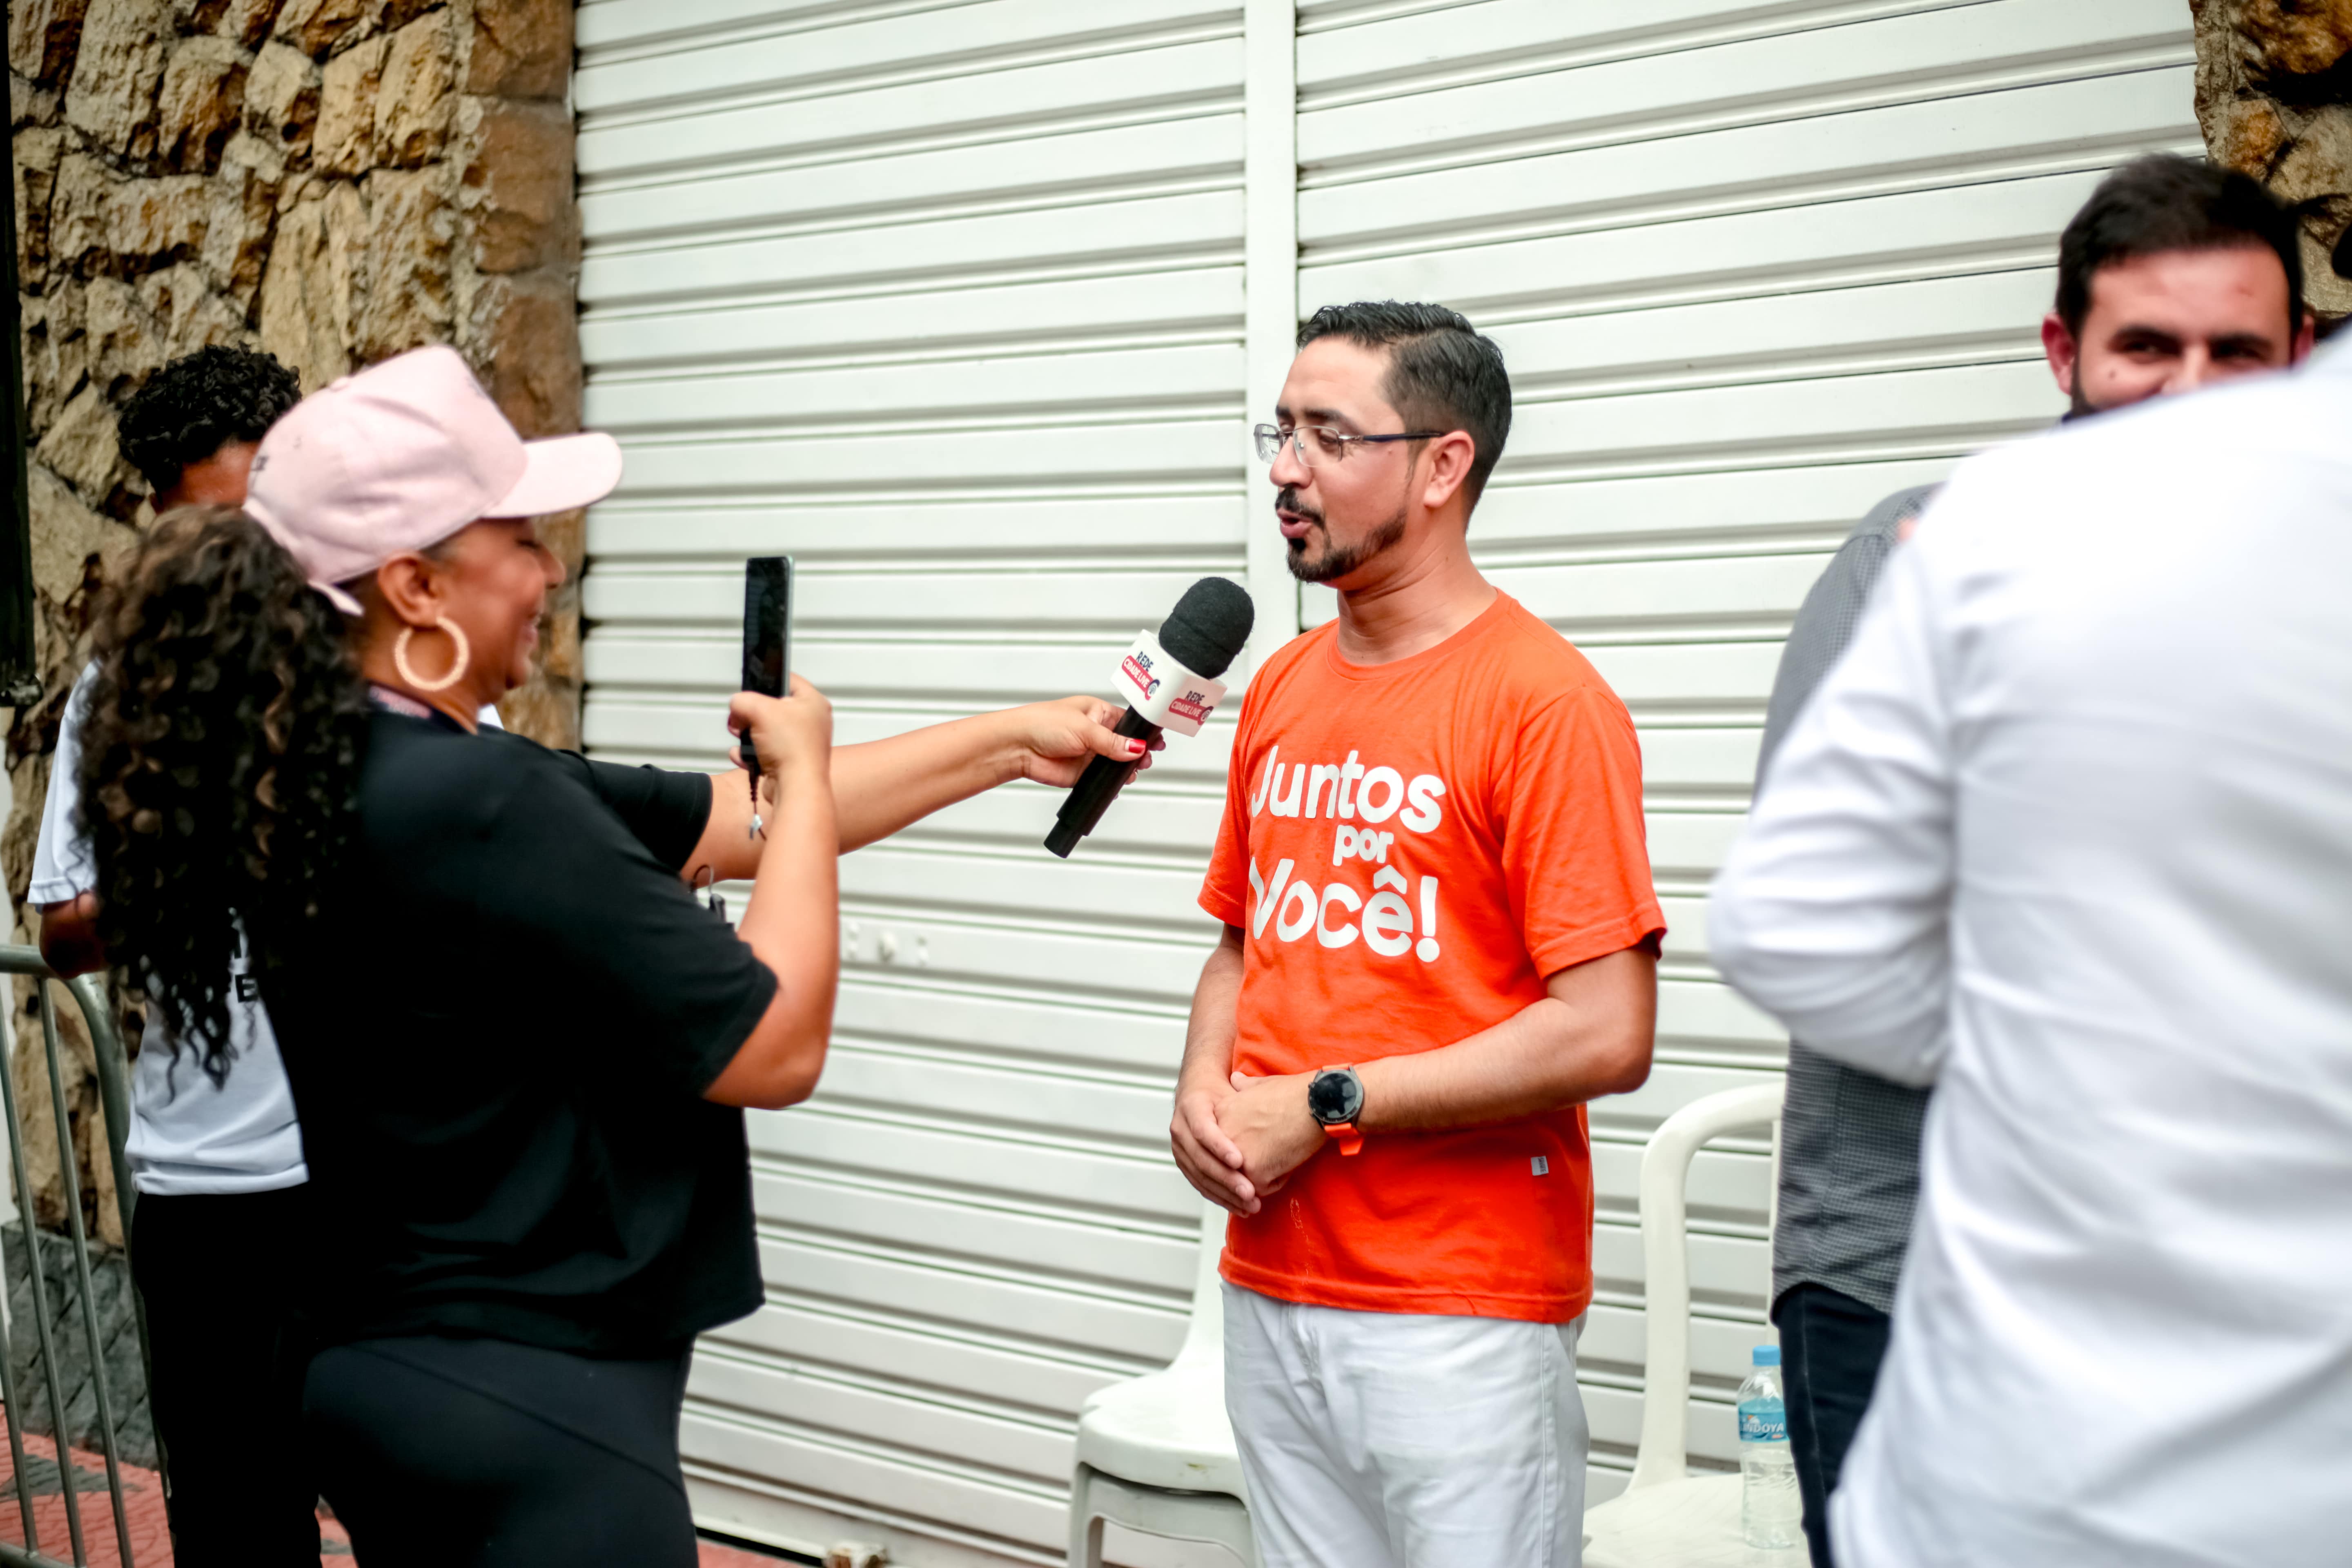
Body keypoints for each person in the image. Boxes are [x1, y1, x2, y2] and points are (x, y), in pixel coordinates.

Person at [71, 345, 1158, 1568]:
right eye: (522, 540)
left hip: (387, 1370)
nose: (550, 571)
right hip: (534, 1400)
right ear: (417, 585)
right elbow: (773, 1039)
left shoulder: (325, 776)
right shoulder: (482, 803)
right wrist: (798, 775)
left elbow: (727, 825)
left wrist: (1013, 743)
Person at [1710, 324, 2352, 1564]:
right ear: (2067, 350)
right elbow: (1802, 917)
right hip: (1894, 1265)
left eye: (2241, 351)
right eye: (2149, 344)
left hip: (2212, 1311)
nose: (2192, 389)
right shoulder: (1938, 551)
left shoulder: (2302, 599)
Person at [1168, 302, 1664, 1568]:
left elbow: (1608, 1033)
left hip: (1459, 1311)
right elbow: (1244, 937)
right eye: (1280, 431)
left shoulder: (1545, 704)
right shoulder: (1280, 684)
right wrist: (1201, 1086)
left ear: (1444, 466)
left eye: (1330, 436)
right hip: (1273, 1284)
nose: (1286, 467)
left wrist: (1327, 1104)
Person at [30, 345, 330, 1567]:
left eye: (253, 518)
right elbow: (60, 931)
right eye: (201, 529)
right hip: (203, 1193)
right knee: (237, 1528)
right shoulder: (124, 690)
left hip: (358, 1176)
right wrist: (182, 855)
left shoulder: (371, 659)